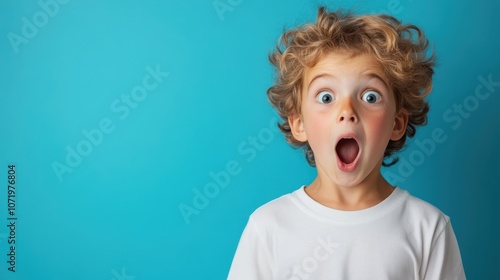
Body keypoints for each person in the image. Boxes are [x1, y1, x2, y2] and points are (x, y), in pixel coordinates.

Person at [227, 6, 466, 280]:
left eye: (370, 97)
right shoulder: (269, 227)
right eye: (326, 97)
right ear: (299, 123)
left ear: (397, 123)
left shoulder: (427, 228)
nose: (347, 110)